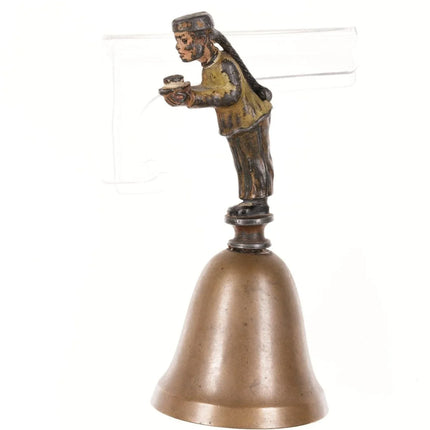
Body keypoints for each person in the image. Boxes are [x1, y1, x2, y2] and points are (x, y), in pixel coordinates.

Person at [161, 12, 274, 217]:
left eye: (184, 40)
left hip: (251, 118)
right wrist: (187, 96)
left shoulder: (225, 64)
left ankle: (259, 202)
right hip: (236, 122)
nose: (178, 47)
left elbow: (230, 94)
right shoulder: (209, 65)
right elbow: (210, 89)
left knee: (254, 160)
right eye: (177, 41)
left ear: (203, 39)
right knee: (242, 161)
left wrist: (192, 97)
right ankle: (249, 200)